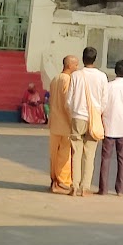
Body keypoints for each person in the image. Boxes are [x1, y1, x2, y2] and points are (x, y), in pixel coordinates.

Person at [66, 46, 108, 197]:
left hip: (78, 116)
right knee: (89, 154)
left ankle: (74, 185)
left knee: (76, 152)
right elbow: (104, 100)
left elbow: (69, 100)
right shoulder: (102, 77)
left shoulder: (76, 75)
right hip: (94, 118)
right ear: (95, 59)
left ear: (83, 59)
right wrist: (97, 112)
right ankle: (85, 187)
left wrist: (74, 111)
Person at [98, 59, 123, 196]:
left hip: (108, 125)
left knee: (105, 158)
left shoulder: (108, 86)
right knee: (122, 159)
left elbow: (102, 105)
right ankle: (120, 189)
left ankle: (103, 188)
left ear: (115, 71)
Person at [47, 55, 78, 193]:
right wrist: (72, 121)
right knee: (64, 155)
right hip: (64, 123)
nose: (77, 67)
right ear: (70, 65)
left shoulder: (55, 79)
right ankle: (62, 182)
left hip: (54, 122)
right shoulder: (68, 80)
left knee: (54, 154)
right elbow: (67, 103)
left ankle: (54, 180)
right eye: (76, 65)